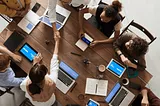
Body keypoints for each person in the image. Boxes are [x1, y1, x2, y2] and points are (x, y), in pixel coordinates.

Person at [20, 34, 61, 106]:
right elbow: (54, 63)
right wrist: (57, 42)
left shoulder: (24, 84)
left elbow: (27, 82)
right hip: (50, 102)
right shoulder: (52, 81)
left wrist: (35, 64)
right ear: (44, 75)